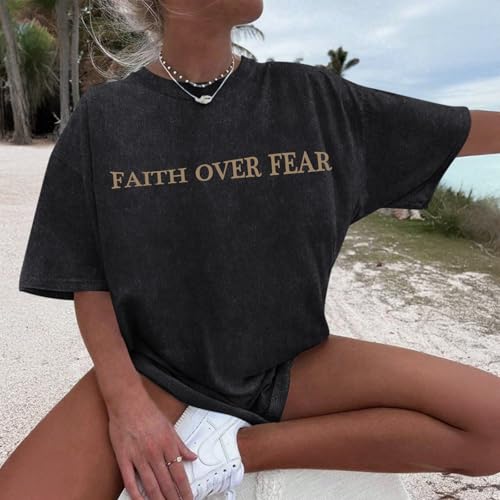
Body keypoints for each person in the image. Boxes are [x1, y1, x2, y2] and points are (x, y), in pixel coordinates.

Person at [2, 0, 500, 499]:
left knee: (491, 425)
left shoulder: (312, 99)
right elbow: (86, 278)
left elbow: (450, 127)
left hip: (293, 366)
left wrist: (241, 452)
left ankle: (231, 451)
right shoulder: (104, 119)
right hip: (157, 373)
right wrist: (127, 407)